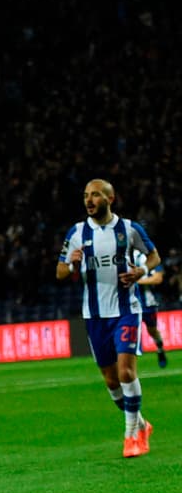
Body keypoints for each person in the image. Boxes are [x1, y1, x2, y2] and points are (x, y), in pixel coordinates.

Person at [57, 179, 161, 457]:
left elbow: (154, 257)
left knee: (127, 371)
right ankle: (141, 424)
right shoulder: (77, 233)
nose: (89, 200)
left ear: (110, 199)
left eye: (95, 195)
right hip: (95, 316)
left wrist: (141, 272)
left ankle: (131, 437)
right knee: (112, 381)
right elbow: (60, 272)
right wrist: (72, 264)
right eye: (85, 195)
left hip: (127, 310)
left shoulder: (129, 229)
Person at [134, 252, 168, 369]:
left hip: (148, 303)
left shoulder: (146, 256)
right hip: (129, 304)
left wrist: (136, 281)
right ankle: (128, 364)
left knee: (152, 330)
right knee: (130, 330)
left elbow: (158, 278)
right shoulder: (121, 256)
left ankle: (160, 349)